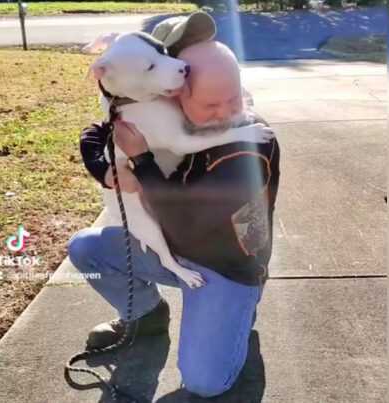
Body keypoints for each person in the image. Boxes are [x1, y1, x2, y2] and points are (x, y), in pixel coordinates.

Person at [67, 12, 281, 398]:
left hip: (225, 267)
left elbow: (186, 221)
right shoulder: (163, 107)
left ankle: (237, 319)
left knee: (204, 382)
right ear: (171, 94)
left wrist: (143, 162)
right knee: (87, 247)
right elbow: (97, 130)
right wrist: (105, 170)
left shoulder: (251, 145)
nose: (228, 112)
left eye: (234, 96)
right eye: (210, 102)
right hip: (173, 250)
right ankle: (147, 315)